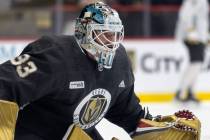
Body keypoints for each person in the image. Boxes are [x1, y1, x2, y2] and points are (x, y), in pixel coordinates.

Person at [0, 2, 201, 140]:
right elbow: (4, 83)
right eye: (104, 35)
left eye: (115, 35)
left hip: (74, 134)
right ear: (83, 32)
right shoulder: (56, 55)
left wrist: (152, 127)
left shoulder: (120, 61)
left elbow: (126, 112)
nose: (111, 43)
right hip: (34, 133)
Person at [175, 0, 209, 103]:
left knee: (197, 64)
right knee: (196, 63)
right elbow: (186, 15)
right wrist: (191, 32)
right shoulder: (193, 1)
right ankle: (181, 91)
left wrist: (205, 36)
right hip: (192, 37)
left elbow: (203, 19)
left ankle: (189, 91)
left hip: (199, 37)